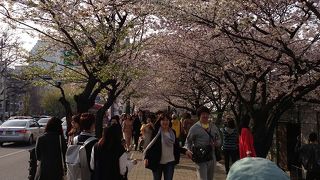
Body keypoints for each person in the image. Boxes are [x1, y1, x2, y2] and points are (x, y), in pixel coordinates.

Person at [144, 113, 187, 180]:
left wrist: (185, 151)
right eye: (163, 120)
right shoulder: (156, 132)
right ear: (160, 122)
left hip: (170, 162)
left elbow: (176, 146)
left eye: (167, 120)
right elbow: (150, 145)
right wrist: (146, 157)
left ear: (169, 121)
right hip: (157, 162)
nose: (165, 122)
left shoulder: (173, 132)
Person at [185, 106, 221, 180]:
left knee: (210, 178)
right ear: (199, 115)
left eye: (207, 114)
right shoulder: (194, 128)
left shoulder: (213, 126)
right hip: (201, 156)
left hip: (212, 156)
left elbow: (219, 139)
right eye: (203, 114)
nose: (205, 116)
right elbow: (188, 141)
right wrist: (188, 150)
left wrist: (217, 143)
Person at [73, 112, 97, 180]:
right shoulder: (95, 142)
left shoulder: (75, 139)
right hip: (90, 175)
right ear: (92, 125)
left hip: (77, 174)